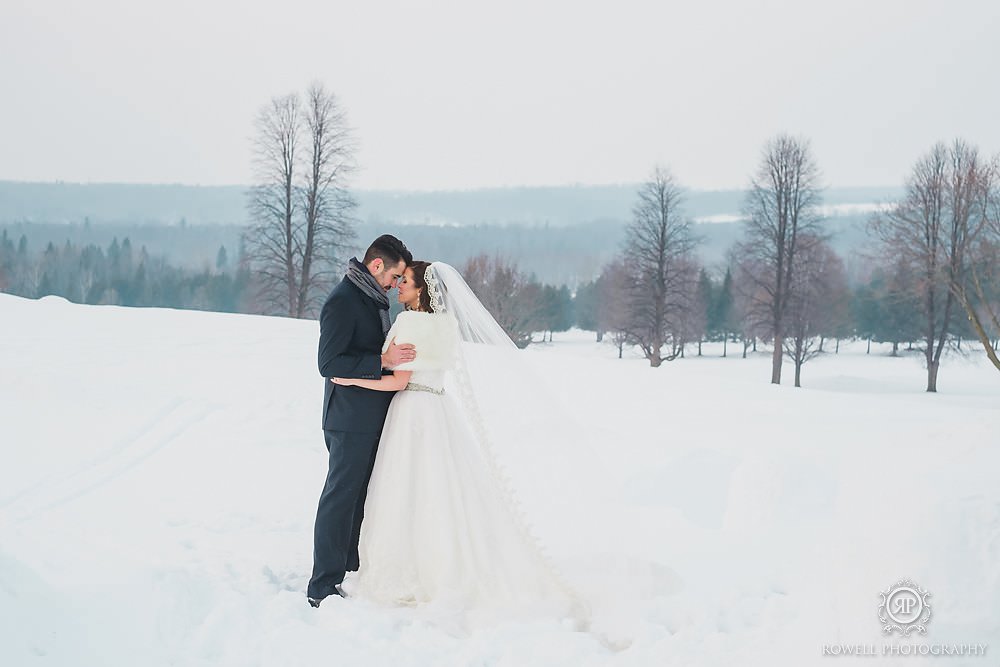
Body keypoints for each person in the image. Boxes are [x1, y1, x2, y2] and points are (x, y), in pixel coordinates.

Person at [330, 261, 588, 624]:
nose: (399, 286)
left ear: (422, 290)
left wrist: (351, 380)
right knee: (441, 490)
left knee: (405, 490)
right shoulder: (447, 326)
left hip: (410, 412)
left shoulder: (409, 323)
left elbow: (398, 381)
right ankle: (446, 559)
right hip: (438, 408)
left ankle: (411, 566)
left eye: (405, 282)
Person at [307, 235, 416, 607]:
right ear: (376, 266)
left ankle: (349, 570)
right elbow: (328, 363)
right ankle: (322, 583)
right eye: (395, 276)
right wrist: (382, 362)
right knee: (339, 499)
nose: (396, 285)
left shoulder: (370, 298)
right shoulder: (343, 301)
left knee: (358, 499)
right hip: (347, 418)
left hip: (368, 416)